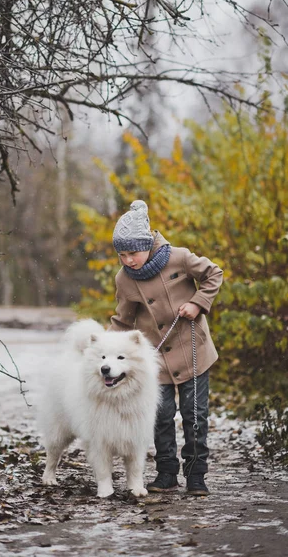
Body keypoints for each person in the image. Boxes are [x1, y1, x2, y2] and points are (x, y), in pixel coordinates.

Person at [110, 199, 223, 496]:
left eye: (133, 252)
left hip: (194, 351)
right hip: (155, 359)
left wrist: (198, 303)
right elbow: (122, 322)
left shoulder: (180, 257)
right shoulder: (124, 280)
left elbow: (214, 274)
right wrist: (102, 352)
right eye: (122, 254)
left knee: (194, 415)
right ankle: (166, 473)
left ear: (147, 244)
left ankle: (196, 475)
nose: (128, 260)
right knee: (160, 418)